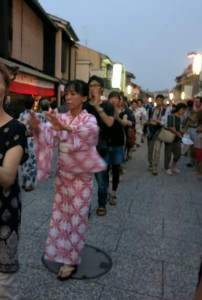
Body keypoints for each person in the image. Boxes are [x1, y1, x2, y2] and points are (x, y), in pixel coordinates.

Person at [29, 79, 106, 280]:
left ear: (84, 97)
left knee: (77, 218)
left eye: (73, 94)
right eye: (67, 93)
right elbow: (47, 135)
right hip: (63, 176)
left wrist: (67, 129)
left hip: (81, 178)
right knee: (61, 216)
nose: (69, 97)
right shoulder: (61, 116)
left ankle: (71, 259)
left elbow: (91, 134)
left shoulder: (88, 119)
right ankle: (60, 252)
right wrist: (37, 128)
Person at [0, 63, 28, 299]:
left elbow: (7, 177)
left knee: (3, 286)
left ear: (5, 89)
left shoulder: (16, 128)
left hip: (3, 216)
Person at [84, 75, 114, 216]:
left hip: (101, 148)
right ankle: (85, 206)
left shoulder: (108, 106)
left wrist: (96, 105)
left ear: (101, 88)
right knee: (84, 181)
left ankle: (102, 204)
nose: (92, 88)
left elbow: (109, 123)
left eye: (95, 85)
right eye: (90, 85)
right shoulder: (83, 105)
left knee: (102, 180)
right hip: (84, 148)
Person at [107, 91, 128, 205]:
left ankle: (113, 193)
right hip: (106, 143)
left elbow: (126, 123)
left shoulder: (123, 112)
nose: (113, 100)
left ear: (119, 100)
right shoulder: (104, 110)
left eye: (115, 98)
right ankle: (105, 191)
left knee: (115, 169)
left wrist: (117, 118)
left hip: (117, 144)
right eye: (111, 98)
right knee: (104, 170)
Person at [18, 96, 37, 191]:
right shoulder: (35, 115)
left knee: (24, 160)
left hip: (23, 140)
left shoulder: (21, 114)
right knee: (32, 163)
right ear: (33, 104)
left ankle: (24, 182)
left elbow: (19, 127)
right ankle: (29, 184)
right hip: (33, 141)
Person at [164, 103, 187, 175]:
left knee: (178, 154)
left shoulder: (179, 118)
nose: (183, 111)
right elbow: (169, 127)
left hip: (176, 139)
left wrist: (183, 131)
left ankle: (173, 166)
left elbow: (179, 127)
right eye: (183, 110)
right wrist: (177, 133)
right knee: (168, 155)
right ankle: (167, 168)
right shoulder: (171, 116)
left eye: (184, 110)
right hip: (170, 138)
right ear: (179, 109)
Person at [146, 94, 166, 175]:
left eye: (161, 101)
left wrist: (156, 121)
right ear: (155, 100)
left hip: (159, 132)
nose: (159, 102)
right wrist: (150, 122)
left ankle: (155, 166)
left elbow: (164, 123)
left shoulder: (164, 111)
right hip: (150, 131)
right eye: (158, 100)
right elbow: (146, 120)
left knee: (157, 150)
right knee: (150, 150)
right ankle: (150, 164)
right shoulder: (150, 110)